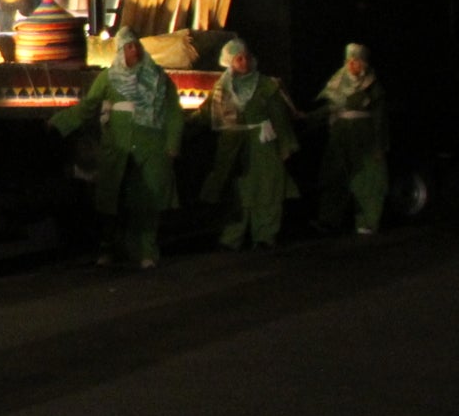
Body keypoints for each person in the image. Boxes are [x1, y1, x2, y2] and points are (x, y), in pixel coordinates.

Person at [50, 28, 185, 270]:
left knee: (148, 199)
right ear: (121, 52)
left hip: (151, 145)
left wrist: (172, 144)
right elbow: (89, 106)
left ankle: (147, 251)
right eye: (129, 47)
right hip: (118, 145)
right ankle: (108, 247)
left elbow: (174, 112)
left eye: (137, 45)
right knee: (111, 199)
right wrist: (61, 121)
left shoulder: (158, 78)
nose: (135, 50)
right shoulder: (109, 78)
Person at [199, 39, 297, 252]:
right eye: (238, 58)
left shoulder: (265, 85)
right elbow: (206, 113)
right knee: (237, 192)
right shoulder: (222, 88)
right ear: (229, 62)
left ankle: (265, 235)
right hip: (234, 145)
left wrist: (285, 145)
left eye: (246, 57)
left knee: (267, 189)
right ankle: (231, 237)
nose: (244, 62)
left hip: (262, 143)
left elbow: (279, 116)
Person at [314, 43, 389, 235]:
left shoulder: (371, 85)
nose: (354, 65)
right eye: (350, 61)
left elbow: (379, 118)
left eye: (358, 61)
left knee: (367, 180)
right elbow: (329, 108)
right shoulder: (338, 82)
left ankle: (367, 221)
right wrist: (307, 116)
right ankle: (329, 219)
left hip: (364, 137)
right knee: (335, 176)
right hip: (341, 136)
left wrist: (379, 146)